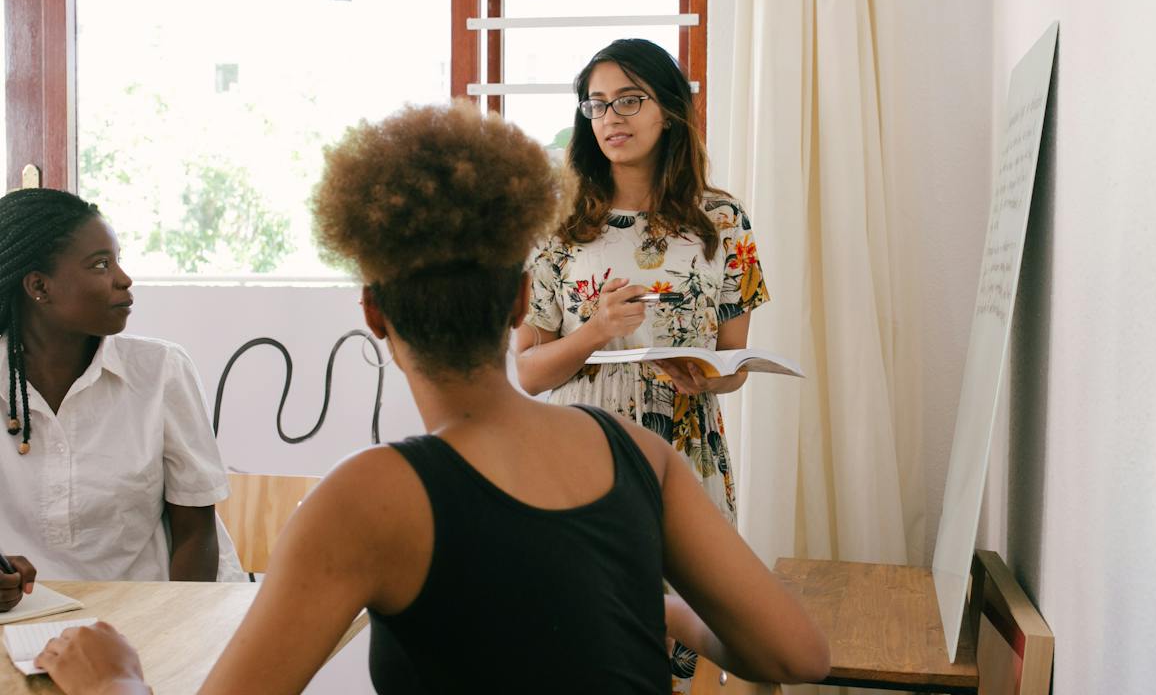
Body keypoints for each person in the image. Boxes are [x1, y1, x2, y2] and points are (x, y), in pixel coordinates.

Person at [34, 102, 828, 694]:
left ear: (374, 314)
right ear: (522, 303)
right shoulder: (636, 453)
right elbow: (798, 656)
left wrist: (113, 681)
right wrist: (672, 616)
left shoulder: (368, 497)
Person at [513, 37, 769, 684]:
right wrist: (595, 331)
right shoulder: (558, 225)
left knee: (679, 656)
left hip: (687, 452)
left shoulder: (722, 219)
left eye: (630, 99)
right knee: (581, 653)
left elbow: (734, 363)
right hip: (579, 456)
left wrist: (710, 374)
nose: (611, 118)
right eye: (597, 104)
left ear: (670, 110)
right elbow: (529, 371)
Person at [0, 188, 236, 584]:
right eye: (100, 265)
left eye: (117, 261)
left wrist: (172, 638)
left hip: (150, 618)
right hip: (22, 623)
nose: (124, 280)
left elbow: (196, 535)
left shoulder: (161, 372)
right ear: (39, 287)